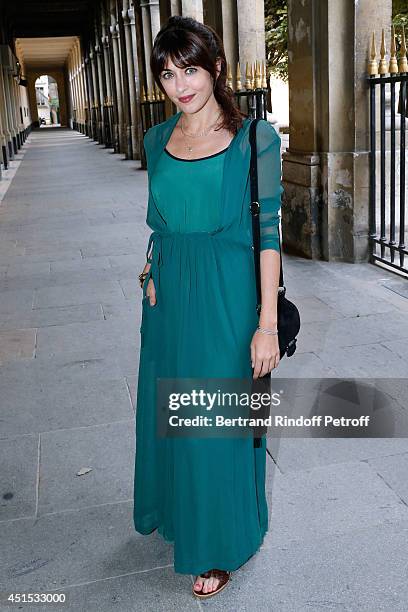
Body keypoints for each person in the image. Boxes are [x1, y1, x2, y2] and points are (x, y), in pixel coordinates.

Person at [133, 15, 283, 600]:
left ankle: (218, 545)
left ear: (215, 68)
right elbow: (164, 226)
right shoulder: (155, 141)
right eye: (168, 74)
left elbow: (267, 235)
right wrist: (151, 276)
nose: (180, 84)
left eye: (190, 69)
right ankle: (181, 514)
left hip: (229, 299)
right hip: (169, 301)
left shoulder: (255, 140)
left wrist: (266, 324)